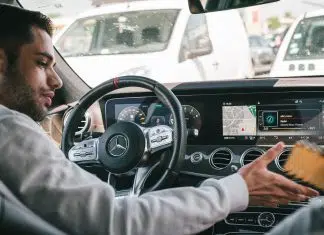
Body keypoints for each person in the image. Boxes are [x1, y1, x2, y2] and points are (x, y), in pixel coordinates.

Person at [0, 4, 319, 235]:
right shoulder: (8, 129)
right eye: (42, 63)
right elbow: (117, 222)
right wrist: (238, 189)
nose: (57, 83)